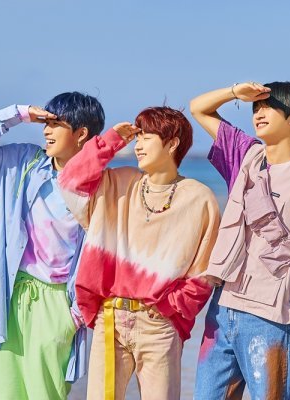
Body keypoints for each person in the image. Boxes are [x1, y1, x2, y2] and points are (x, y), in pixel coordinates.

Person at [58, 106, 220, 400]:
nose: (138, 145)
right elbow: (70, 180)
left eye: (147, 137)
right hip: (110, 319)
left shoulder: (199, 198)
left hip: (159, 325)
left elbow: (205, 272)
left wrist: (170, 307)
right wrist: (111, 140)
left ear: (172, 143)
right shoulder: (118, 183)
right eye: (138, 137)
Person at [0, 92, 105, 399]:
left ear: (81, 134)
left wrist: (74, 315)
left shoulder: (100, 187)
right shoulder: (23, 162)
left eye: (56, 124)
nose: (46, 130)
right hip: (6, 297)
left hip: (57, 304)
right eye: (45, 123)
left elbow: (104, 255)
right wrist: (18, 114)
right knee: (4, 393)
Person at [191, 82, 290, 399]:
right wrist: (234, 93)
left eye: (270, 107)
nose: (259, 113)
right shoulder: (246, 155)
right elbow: (199, 108)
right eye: (256, 108)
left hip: (270, 315)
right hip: (223, 305)